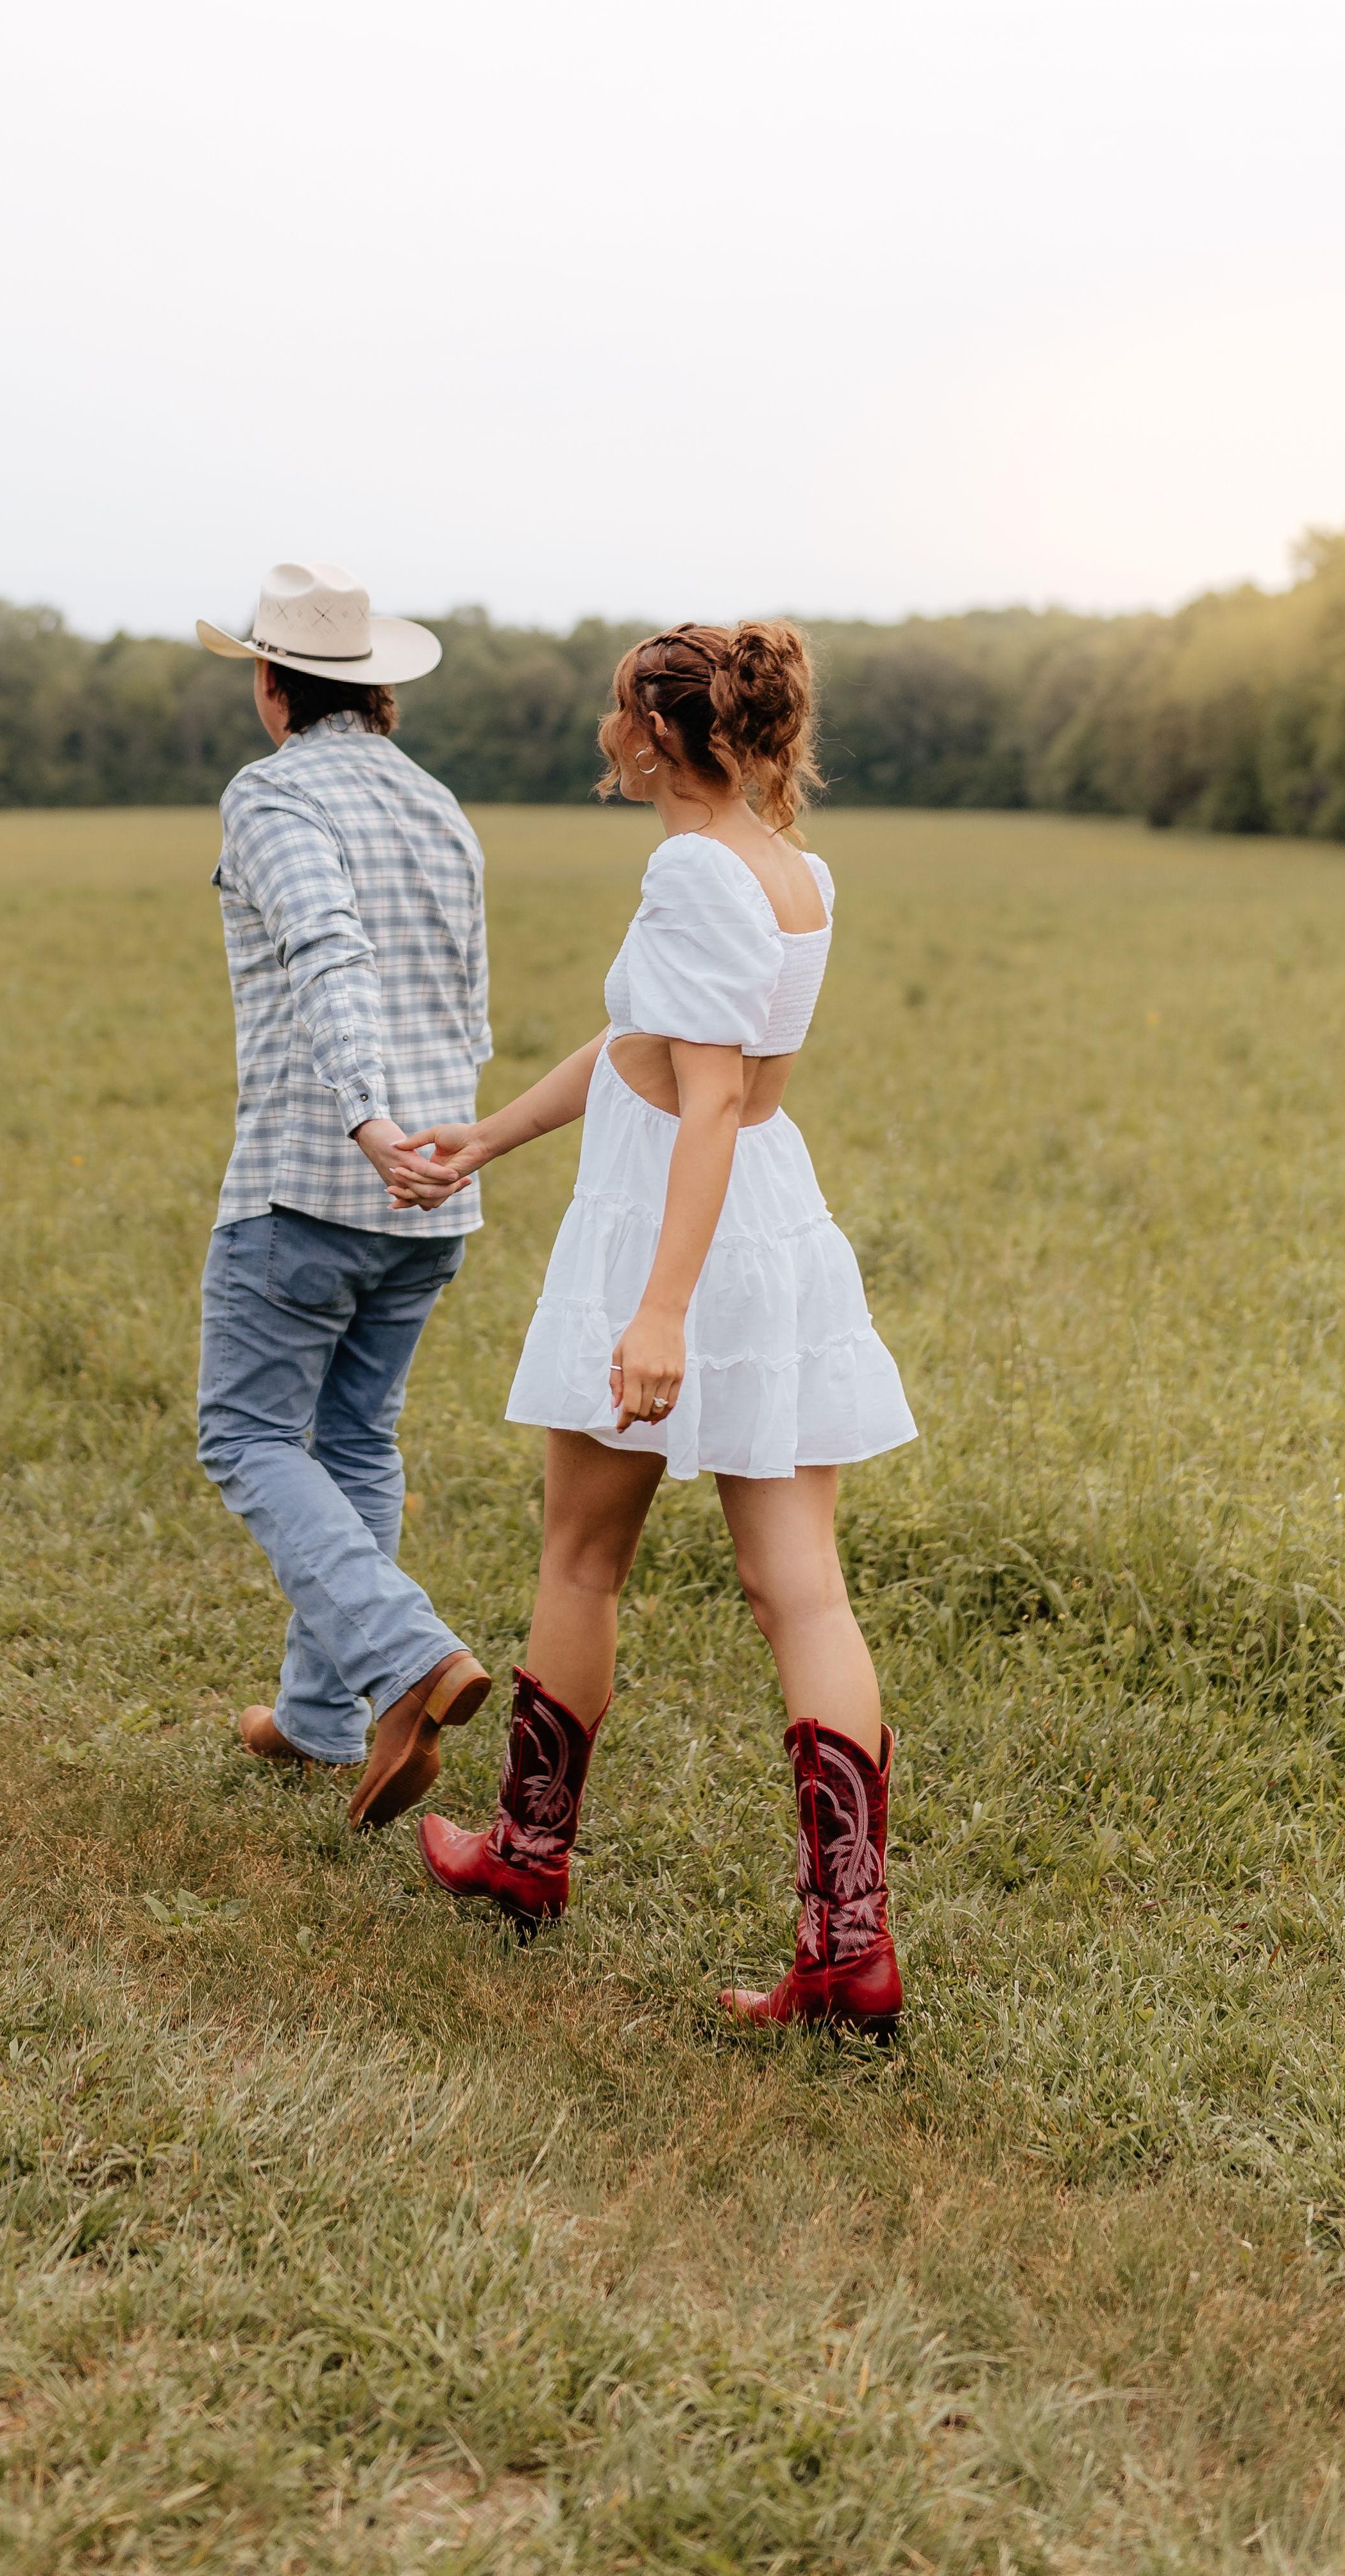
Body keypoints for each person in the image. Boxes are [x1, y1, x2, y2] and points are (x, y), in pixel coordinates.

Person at [402, 622, 920, 2030]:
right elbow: (653, 1053)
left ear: (660, 731)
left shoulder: (689, 867)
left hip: (675, 1238)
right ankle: (848, 1945)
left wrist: (660, 1313)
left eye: (617, 714)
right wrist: (488, 1138)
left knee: (581, 1556)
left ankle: (524, 1855)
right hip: (770, 1231)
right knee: (799, 1584)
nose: (604, 734)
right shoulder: (794, 870)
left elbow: (704, 1101)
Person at [189, 559, 498, 1830]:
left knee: (249, 1437)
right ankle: (324, 1722)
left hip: (319, 1177)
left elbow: (328, 950)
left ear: (272, 688)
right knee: (355, 1439)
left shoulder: (272, 796)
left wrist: (366, 1119)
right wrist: (426, 1142)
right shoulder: (440, 809)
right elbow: (465, 1001)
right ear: (374, 694)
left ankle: (406, 1657)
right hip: (436, 1193)